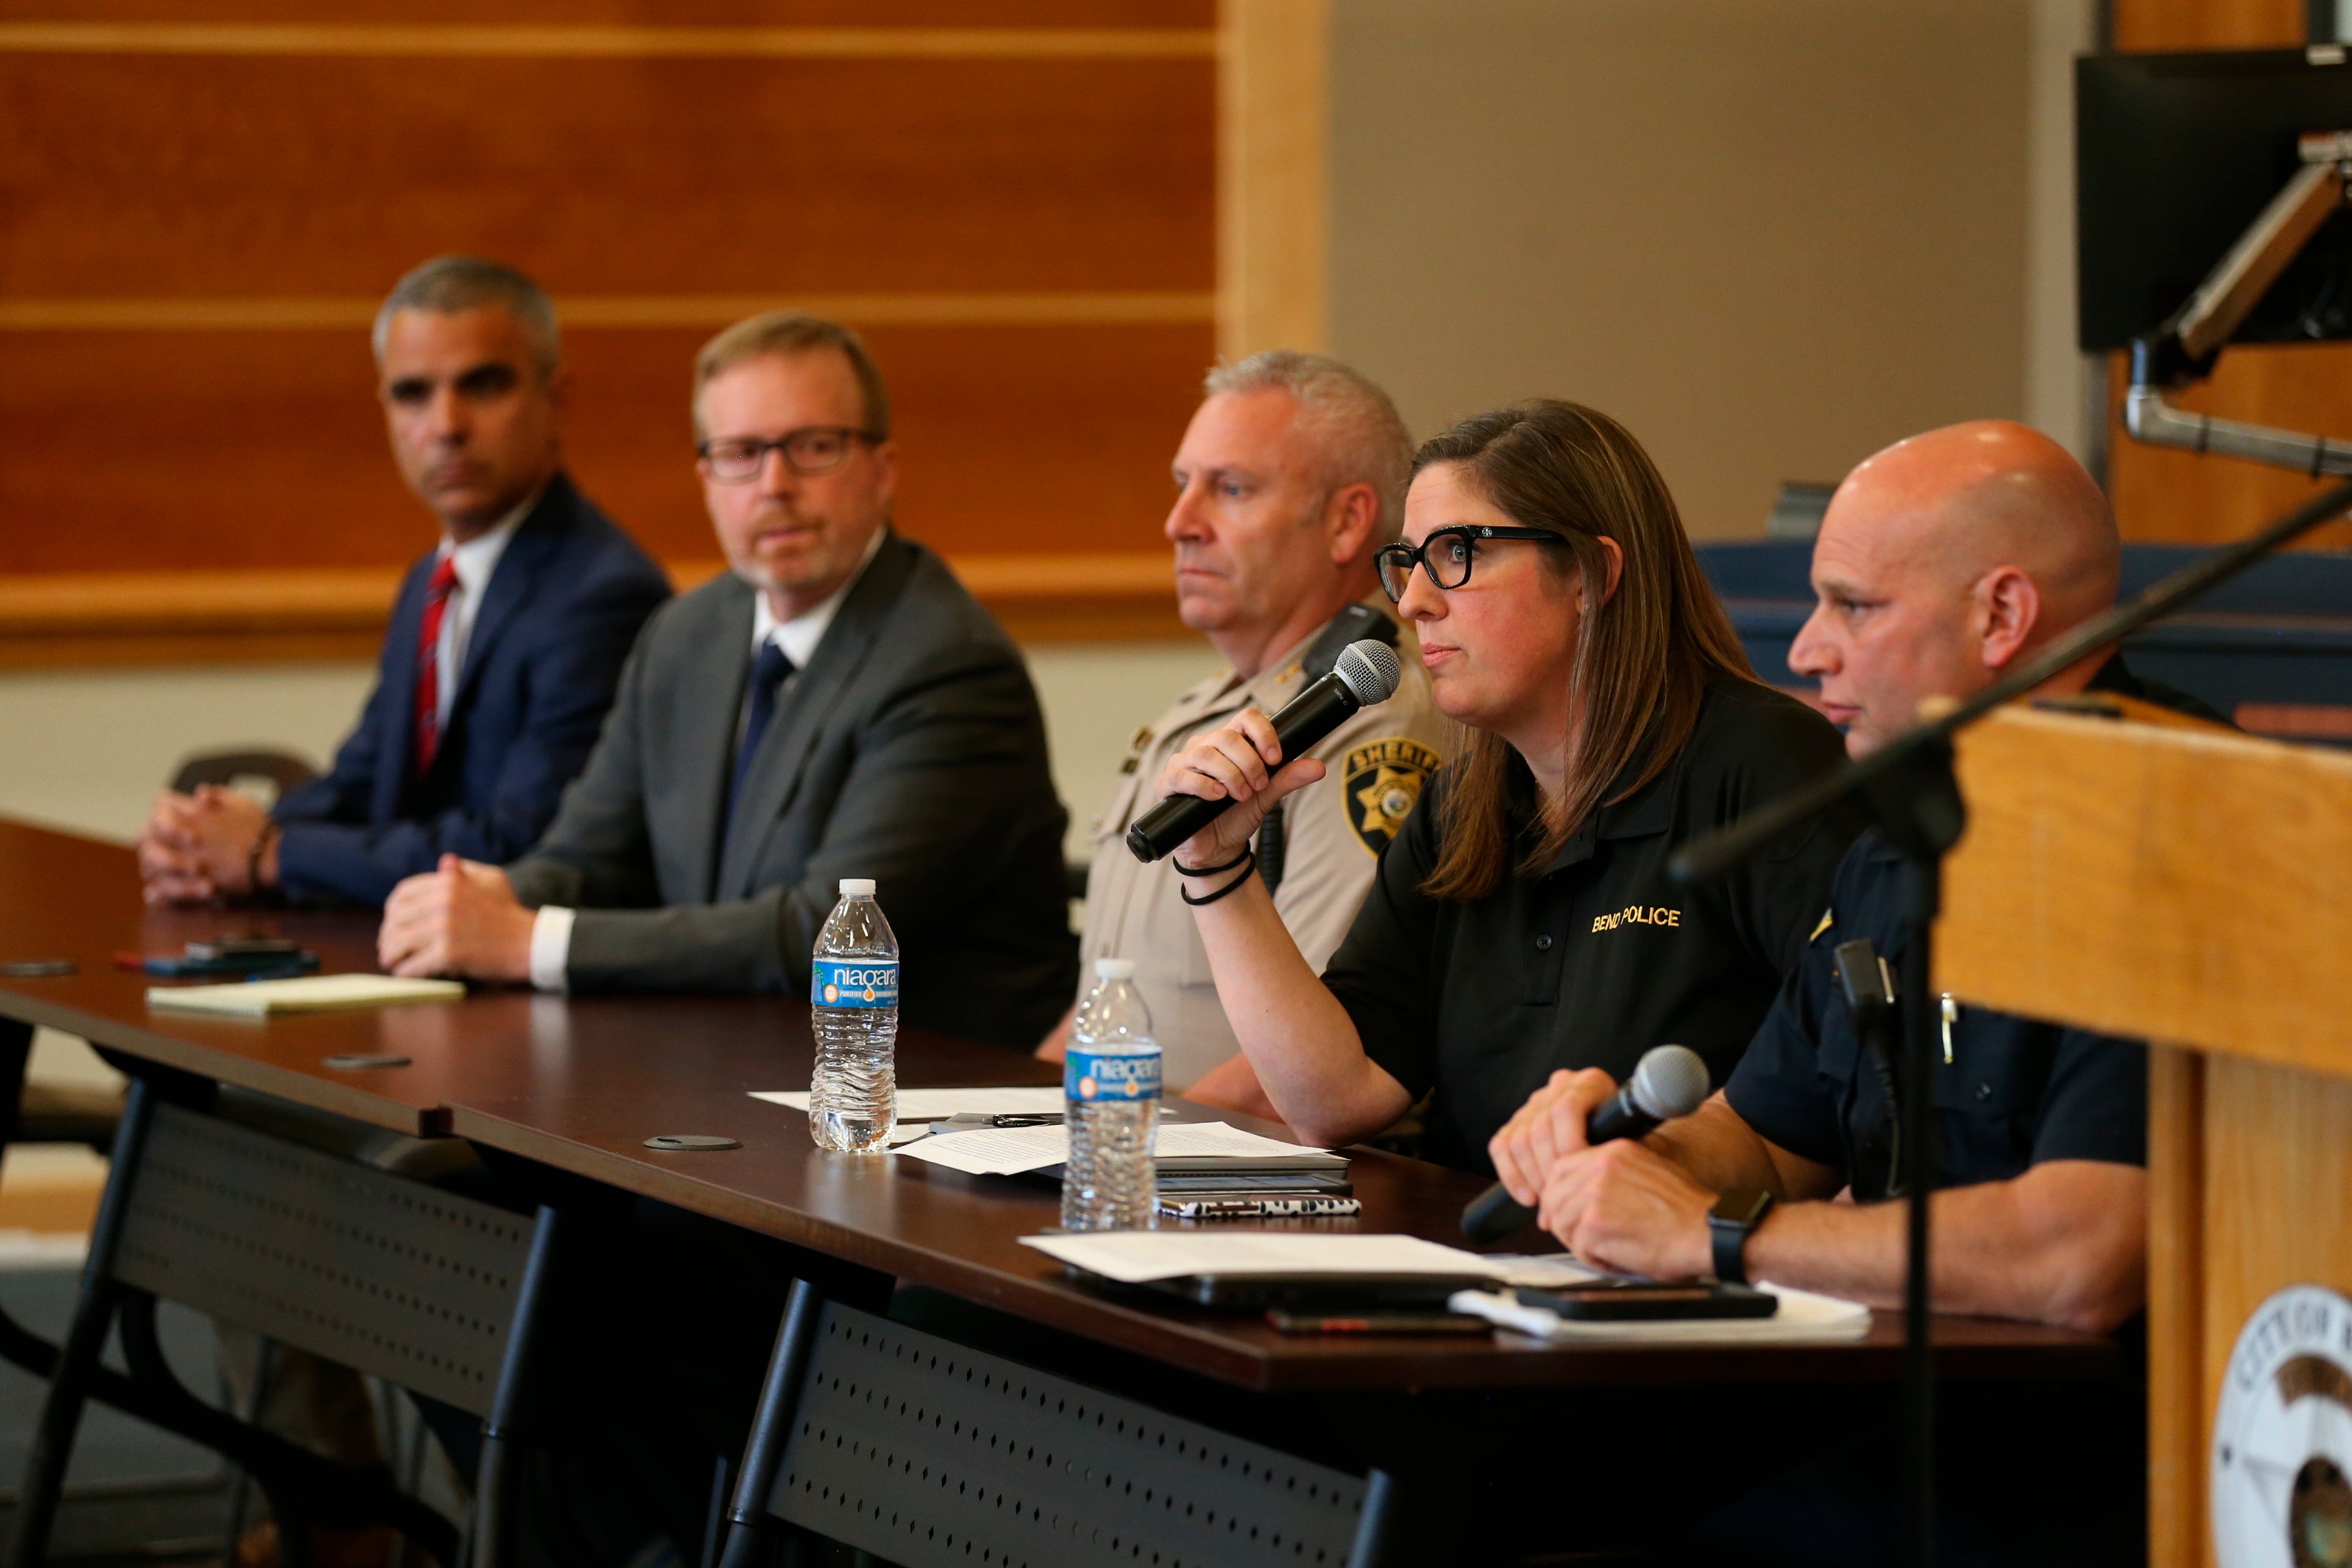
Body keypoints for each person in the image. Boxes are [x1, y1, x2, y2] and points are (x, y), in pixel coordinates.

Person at [1488, 421, 2191, 1567]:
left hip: (2104, 1478)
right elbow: (1768, 1136)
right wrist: (1628, 1149)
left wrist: (1719, 1240)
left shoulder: (2183, 836)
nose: (1807, 648)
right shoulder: (1907, 833)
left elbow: (2080, 1255)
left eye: (1853, 606)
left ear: (2002, 616)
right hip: (1904, 1432)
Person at [1152, 400, 1863, 1172]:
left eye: (1459, 552)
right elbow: (1335, 1099)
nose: (1416, 600)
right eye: (1410, 562)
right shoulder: (1462, 808)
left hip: (1673, 1261)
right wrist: (1217, 867)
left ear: (1592, 575)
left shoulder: (1760, 763)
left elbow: (1853, 1080)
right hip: (1478, 1261)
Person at [375, 310, 1076, 1047]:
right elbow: (588, 859)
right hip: (726, 1071)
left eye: (814, 448)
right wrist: (483, 900)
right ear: (707, 480)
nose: (774, 485)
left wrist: (530, 942)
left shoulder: (947, 667)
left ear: (883, 469)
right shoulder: (686, 635)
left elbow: (822, 937)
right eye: (741, 454)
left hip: (920, 1103)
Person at [135, 255, 670, 909]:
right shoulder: (430, 580)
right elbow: (365, 785)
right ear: (385, 407)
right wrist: (206, 841)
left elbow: (521, 847)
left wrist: (269, 853)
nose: (445, 427)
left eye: (482, 385)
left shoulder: (602, 595)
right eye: (413, 393)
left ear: (555, 398)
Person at [1043, 351, 1452, 1101]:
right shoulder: (1205, 710)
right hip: (1119, 1162)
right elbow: (1101, 1002)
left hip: (1232, 1187)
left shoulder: (1362, 724)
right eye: (1181, 485)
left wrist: (1112, 1158)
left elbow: (1330, 1041)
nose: (1179, 524)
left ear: (1346, 521)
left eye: (1231, 489)